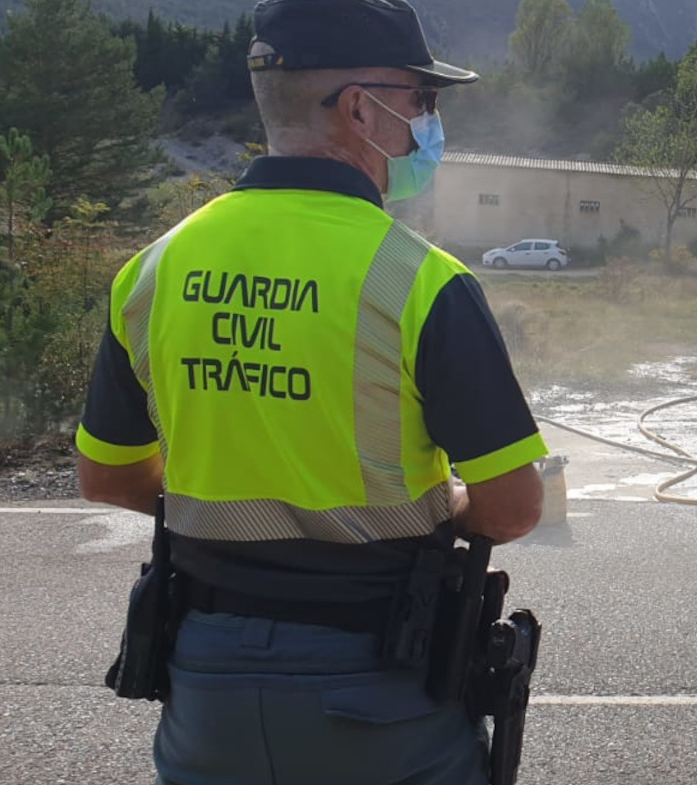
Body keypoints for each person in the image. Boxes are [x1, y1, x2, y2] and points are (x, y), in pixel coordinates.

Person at [72, 1, 547, 782]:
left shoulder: (155, 268)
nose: (428, 124)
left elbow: (107, 475)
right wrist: (450, 503)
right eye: (421, 100)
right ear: (361, 109)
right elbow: (514, 505)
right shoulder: (422, 282)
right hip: (379, 683)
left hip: (206, 685)